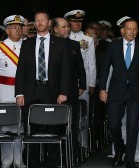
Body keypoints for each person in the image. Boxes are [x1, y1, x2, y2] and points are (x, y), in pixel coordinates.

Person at [15, 11, 70, 167]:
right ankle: (31, 162)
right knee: (31, 128)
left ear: (49, 22)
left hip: (51, 91)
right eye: (37, 20)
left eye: (43, 20)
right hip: (31, 90)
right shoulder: (27, 43)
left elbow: (65, 71)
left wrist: (63, 92)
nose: (39, 23)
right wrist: (19, 92)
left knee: (52, 127)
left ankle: (52, 161)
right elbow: (21, 70)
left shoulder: (60, 43)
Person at [99, 17, 139, 168]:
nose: (132, 31)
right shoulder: (113, 46)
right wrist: (102, 88)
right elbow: (105, 68)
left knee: (133, 125)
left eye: (135, 29)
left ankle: (129, 159)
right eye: (129, 29)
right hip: (116, 91)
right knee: (113, 124)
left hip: (135, 92)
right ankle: (119, 149)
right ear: (122, 30)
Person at [0, 15, 26, 168]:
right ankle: (6, 160)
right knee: (5, 128)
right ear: (8, 30)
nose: (17, 30)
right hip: (4, 92)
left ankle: (18, 159)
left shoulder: (27, 46)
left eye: (19, 27)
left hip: (22, 92)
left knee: (20, 128)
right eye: (14, 28)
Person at [51, 17, 86, 165]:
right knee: (53, 127)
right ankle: (55, 159)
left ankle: (72, 157)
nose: (67, 29)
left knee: (71, 126)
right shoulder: (49, 45)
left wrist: (82, 85)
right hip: (52, 92)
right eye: (64, 27)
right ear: (55, 29)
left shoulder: (73, 45)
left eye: (68, 26)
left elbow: (80, 68)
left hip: (71, 92)